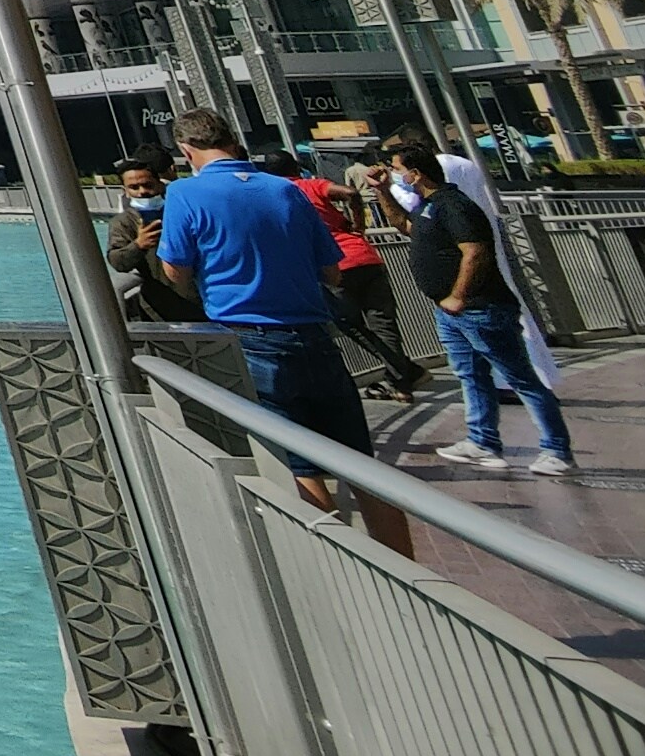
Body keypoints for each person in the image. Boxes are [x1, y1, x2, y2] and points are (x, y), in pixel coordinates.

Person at [152, 108, 411, 547]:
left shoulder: (184, 193)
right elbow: (331, 269)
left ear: (185, 150)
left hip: (248, 338)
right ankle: (406, 568)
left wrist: (201, 287)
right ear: (233, 141)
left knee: (295, 467)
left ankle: (332, 561)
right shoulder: (286, 190)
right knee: (362, 464)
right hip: (315, 333)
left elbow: (175, 268)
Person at [386, 139, 576, 478]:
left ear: (415, 174)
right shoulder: (428, 207)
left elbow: (475, 252)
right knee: (470, 375)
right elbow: (406, 227)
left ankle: (557, 450)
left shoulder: (454, 205)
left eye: (397, 170)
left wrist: (459, 296)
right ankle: (483, 441)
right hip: (452, 314)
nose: (394, 174)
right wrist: (382, 192)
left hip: (480, 308)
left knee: (522, 378)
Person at [270, 147, 427, 395]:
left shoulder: (276, 195)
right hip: (364, 256)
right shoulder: (312, 186)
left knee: (346, 323)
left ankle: (404, 373)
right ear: (296, 168)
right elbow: (351, 193)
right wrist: (357, 226)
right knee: (383, 322)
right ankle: (402, 378)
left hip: (333, 266)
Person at [105, 158, 201, 326]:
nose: (142, 192)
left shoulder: (182, 211)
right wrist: (138, 246)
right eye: (134, 187)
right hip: (158, 308)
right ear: (125, 191)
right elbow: (117, 262)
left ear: (159, 184)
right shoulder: (123, 222)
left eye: (148, 185)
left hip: (201, 300)